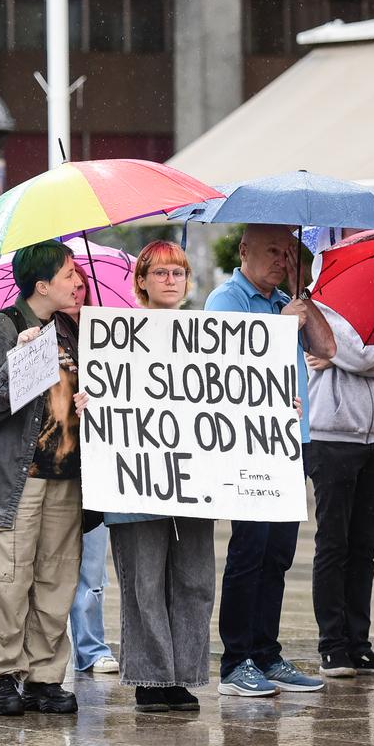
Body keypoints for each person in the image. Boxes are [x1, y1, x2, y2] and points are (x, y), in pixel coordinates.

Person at [80, 240, 215, 712]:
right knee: (144, 581)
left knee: (195, 578)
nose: (171, 281)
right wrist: (89, 401)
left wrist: (274, 406)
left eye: (178, 273)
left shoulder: (211, 334)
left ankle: (185, 672)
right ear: (141, 281)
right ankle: (152, 678)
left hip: (196, 480)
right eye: (160, 273)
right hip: (134, 480)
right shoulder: (117, 332)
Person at [0, 240, 85, 716]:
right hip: (15, 479)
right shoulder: (3, 329)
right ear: (42, 284)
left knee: (56, 581)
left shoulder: (72, 330)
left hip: (66, 477)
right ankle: (1, 676)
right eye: (69, 275)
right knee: (5, 580)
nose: (78, 282)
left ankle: (45, 677)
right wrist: (21, 361)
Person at [207, 224, 335, 698]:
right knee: (250, 549)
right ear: (244, 251)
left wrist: (306, 300)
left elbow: (326, 350)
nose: (282, 260)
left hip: (289, 441)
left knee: (279, 553)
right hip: (249, 444)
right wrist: (283, 323)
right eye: (273, 252)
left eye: (288, 253)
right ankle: (235, 659)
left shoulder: (287, 300)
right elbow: (230, 363)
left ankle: (266, 652)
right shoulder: (228, 299)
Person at [304, 299, 374, 677]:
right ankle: (332, 646)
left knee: (365, 548)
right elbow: (363, 355)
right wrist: (353, 354)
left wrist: (336, 354)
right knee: (333, 544)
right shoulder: (316, 302)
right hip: (331, 436)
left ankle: (359, 643)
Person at [61, 276, 118, 677]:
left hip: (99, 463)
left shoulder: (110, 335)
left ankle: (91, 645)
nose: (78, 291)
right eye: (70, 283)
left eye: (83, 284)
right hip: (59, 465)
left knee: (94, 565)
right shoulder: (40, 337)